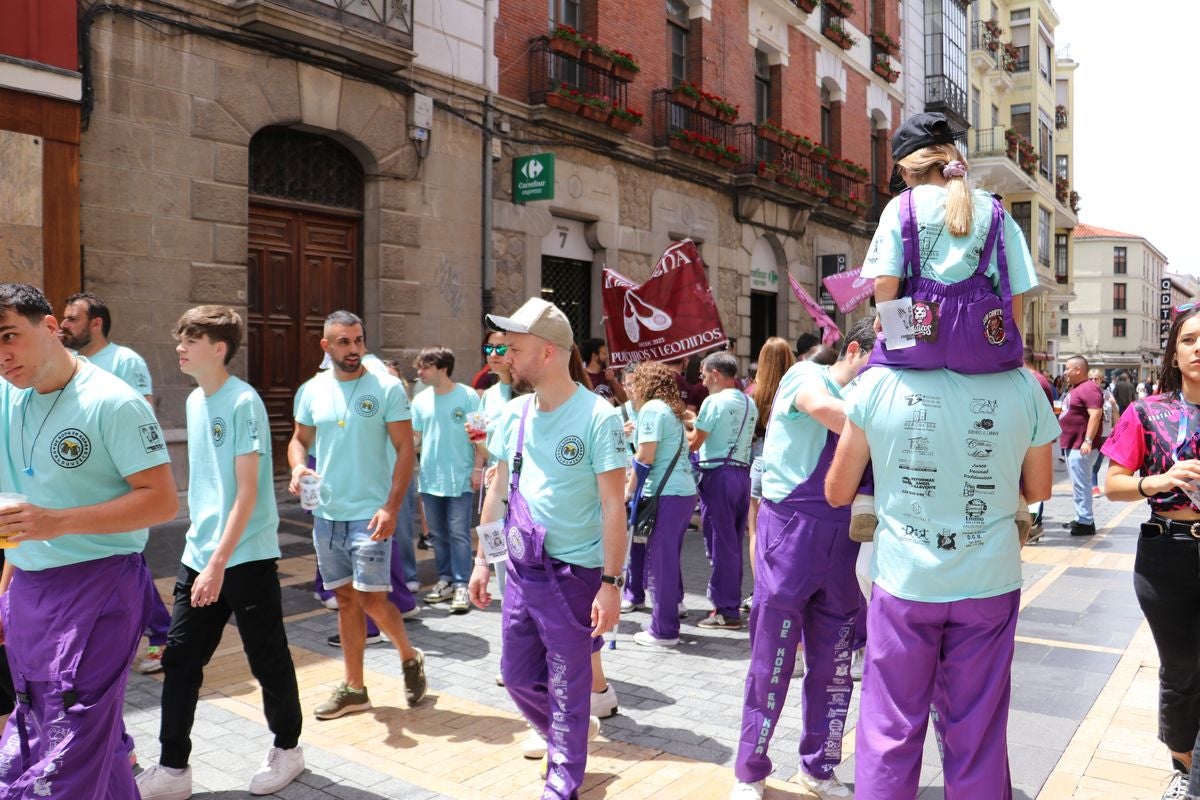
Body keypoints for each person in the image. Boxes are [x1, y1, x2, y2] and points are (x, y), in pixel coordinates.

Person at [824, 346, 1057, 800]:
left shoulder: (878, 381)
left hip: (904, 580)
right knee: (977, 731)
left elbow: (837, 491)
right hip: (989, 579)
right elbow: (1040, 488)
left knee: (890, 726)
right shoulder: (1023, 384)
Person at [0, 282, 178, 797]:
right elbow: (19, 516)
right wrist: (7, 587)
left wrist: (57, 522)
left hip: (100, 590)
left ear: (51, 327)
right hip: (29, 590)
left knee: (70, 744)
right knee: (53, 727)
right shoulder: (9, 396)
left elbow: (162, 501)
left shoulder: (113, 402)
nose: (3, 354)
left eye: (10, 335)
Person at [137, 306, 304, 799]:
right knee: (181, 660)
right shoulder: (194, 400)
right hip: (201, 554)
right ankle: (173, 770)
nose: (180, 347)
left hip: (245, 557)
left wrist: (217, 564)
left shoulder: (243, 402)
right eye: (180, 337)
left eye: (192, 339)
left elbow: (248, 495)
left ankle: (289, 748)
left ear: (220, 348)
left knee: (266, 656)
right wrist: (203, 557)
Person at [851, 111, 1037, 544]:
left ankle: (864, 499)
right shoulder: (994, 211)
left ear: (905, 168)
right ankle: (1016, 499)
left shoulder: (902, 208)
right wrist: (1009, 350)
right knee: (1015, 403)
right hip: (981, 338)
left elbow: (885, 283)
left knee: (864, 396)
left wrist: (897, 343)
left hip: (921, 333)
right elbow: (1015, 290)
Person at [468, 297, 627, 800]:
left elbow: (612, 508)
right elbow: (496, 493)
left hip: (574, 576)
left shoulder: (597, 416)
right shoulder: (512, 414)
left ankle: (565, 777)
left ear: (550, 353)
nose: (505, 356)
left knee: (568, 683)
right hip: (521, 568)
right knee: (516, 678)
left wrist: (610, 584)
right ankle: (569, 733)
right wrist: (481, 561)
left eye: (515, 348)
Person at [727, 319, 874, 800]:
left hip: (845, 540)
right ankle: (750, 772)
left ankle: (819, 767)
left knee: (834, 666)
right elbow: (831, 413)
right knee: (771, 659)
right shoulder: (806, 378)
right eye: (881, 362)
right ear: (852, 351)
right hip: (791, 532)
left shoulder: (877, 396)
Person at [288, 310, 426, 720]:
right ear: (326, 346)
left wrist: (391, 507)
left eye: (358, 340)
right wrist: (298, 466)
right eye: (343, 342)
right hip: (327, 513)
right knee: (345, 598)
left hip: (370, 513)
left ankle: (408, 654)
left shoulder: (386, 388)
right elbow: (299, 440)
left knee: (370, 598)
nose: (353, 349)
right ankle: (355, 688)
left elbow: (405, 450)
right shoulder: (311, 390)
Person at [1102, 305, 1200, 800]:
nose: (1199, 348)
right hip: (1169, 555)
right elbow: (1111, 484)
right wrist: (1156, 481)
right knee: (1182, 669)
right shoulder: (1147, 412)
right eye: (1189, 340)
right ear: (1175, 352)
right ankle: (1183, 766)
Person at [59, 291, 171, 674]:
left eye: (72, 318)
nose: (63, 325)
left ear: (96, 323)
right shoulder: (68, 363)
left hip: (121, 483)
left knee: (127, 560)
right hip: (79, 484)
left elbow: (145, 415)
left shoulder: (125, 361)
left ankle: (160, 632)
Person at [624, 361, 696, 647]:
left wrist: (629, 491)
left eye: (635, 382)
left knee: (660, 563)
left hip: (666, 494)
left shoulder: (653, 409)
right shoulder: (669, 410)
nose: (631, 388)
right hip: (680, 492)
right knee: (665, 560)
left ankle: (664, 630)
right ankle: (662, 618)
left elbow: (644, 457)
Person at [411, 346, 485, 613]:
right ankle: (445, 580)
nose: (419, 372)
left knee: (458, 534)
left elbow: (479, 436)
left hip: (460, 477)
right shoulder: (420, 401)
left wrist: (478, 469)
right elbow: (416, 438)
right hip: (430, 478)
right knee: (438, 534)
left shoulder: (467, 397)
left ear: (442, 368)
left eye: (425, 367)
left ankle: (462, 584)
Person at [688, 352, 757, 630]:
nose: (703, 382)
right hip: (742, 473)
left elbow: (695, 443)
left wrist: (682, 428)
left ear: (716, 373)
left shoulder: (713, 401)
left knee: (721, 544)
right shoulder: (748, 402)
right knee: (731, 544)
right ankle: (729, 601)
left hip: (718, 474)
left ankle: (726, 609)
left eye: (704, 375)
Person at [741, 337, 794, 614]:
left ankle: (759, 590)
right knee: (781, 534)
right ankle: (779, 587)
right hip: (785, 466)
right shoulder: (794, 389)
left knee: (755, 533)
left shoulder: (753, 394)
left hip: (759, 464)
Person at [1059, 355, 1104, 535]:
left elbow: (1096, 414)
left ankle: (1086, 522)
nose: (1065, 373)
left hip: (1081, 446)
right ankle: (1081, 517)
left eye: (1068, 368)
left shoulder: (1089, 388)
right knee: (1078, 484)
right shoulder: (1079, 388)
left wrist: (1088, 440)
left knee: (1081, 484)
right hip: (1074, 444)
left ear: (1078, 370)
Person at [1089, 369, 1118, 498]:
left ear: (1101, 380)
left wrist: (1114, 404)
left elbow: (1117, 418)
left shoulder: (1107, 395)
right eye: (1091, 379)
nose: (1093, 381)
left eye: (1096, 378)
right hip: (1091, 435)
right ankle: (1093, 487)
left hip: (1105, 435)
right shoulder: (1086, 394)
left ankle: (1091, 485)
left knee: (1098, 463)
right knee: (1092, 464)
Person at [580, 338, 626, 405]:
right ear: (594, 356)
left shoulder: (608, 375)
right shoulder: (582, 376)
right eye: (604, 353)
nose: (607, 356)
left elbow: (624, 400)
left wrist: (613, 381)